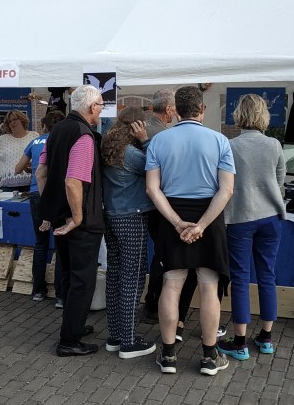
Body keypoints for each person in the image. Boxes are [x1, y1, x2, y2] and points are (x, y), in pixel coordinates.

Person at [146, 86, 235, 376]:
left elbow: (152, 189)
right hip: (209, 214)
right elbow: (227, 190)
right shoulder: (220, 140)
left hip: (173, 213)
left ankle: (169, 354)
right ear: (202, 109)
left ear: (175, 110)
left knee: (171, 283)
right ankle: (210, 357)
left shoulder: (159, 141)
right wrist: (203, 225)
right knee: (209, 285)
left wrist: (175, 222)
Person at [36, 85, 104, 357]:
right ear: (90, 107)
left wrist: (51, 206)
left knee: (68, 273)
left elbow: (41, 172)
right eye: (99, 105)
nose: (100, 110)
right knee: (82, 279)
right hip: (80, 221)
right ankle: (69, 340)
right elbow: (73, 180)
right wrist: (77, 217)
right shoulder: (83, 135)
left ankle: (74, 325)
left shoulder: (57, 131)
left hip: (59, 217)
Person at [217, 94, 285, 360]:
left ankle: (241, 342)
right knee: (267, 275)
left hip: (240, 218)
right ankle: (266, 338)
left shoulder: (229, 146)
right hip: (271, 217)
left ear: (238, 115)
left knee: (241, 279)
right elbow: (280, 184)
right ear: (264, 115)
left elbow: (223, 185)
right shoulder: (275, 145)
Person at [101, 107, 156, 359]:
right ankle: (129, 340)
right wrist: (146, 140)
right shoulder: (130, 153)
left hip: (110, 216)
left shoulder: (107, 148)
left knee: (115, 275)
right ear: (136, 125)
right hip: (131, 217)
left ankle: (115, 336)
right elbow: (155, 168)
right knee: (133, 278)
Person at [15, 111, 65, 307]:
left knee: (41, 243)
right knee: (61, 245)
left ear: (44, 127)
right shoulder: (63, 139)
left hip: (36, 194)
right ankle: (60, 295)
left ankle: (38, 290)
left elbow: (17, 169)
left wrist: (34, 167)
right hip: (57, 194)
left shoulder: (35, 142)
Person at [142, 89, 176, 323]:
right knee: (163, 254)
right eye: (174, 107)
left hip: (144, 203)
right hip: (157, 203)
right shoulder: (161, 135)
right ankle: (153, 303)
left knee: (159, 253)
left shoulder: (146, 128)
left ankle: (153, 302)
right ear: (168, 109)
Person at [0, 110, 38, 192]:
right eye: (9, 121)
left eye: (15, 119)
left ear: (22, 120)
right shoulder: (4, 139)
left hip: (30, 184)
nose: (12, 123)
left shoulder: (34, 135)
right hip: (8, 186)